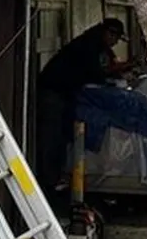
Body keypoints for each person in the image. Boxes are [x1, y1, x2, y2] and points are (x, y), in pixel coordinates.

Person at [35, 18, 132, 193]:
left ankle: (56, 177)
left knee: (61, 134)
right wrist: (121, 70)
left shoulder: (94, 44)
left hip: (63, 92)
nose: (116, 43)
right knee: (52, 135)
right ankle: (49, 182)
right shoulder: (89, 46)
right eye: (115, 38)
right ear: (108, 33)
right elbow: (97, 73)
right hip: (54, 91)